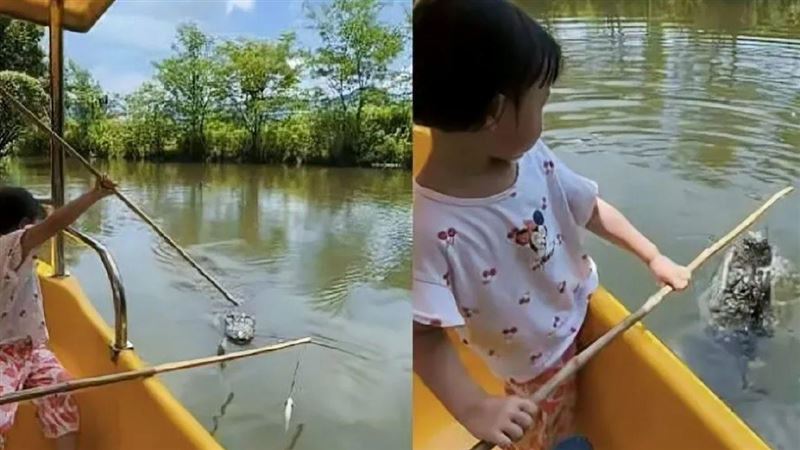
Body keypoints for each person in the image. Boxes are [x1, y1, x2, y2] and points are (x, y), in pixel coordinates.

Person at [411, 1, 691, 449]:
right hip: (534, 371)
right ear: (495, 112)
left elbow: (589, 207)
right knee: (542, 438)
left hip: (579, 312)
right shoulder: (430, 227)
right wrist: (474, 407)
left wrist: (652, 256)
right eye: (541, 102)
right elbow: (422, 335)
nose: (544, 117)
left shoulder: (531, 159)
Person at [0, 176, 117, 449]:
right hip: (3, 352)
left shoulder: (18, 255)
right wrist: (94, 195)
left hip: (30, 348)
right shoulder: (7, 248)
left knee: (61, 390)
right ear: (24, 226)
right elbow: (54, 224)